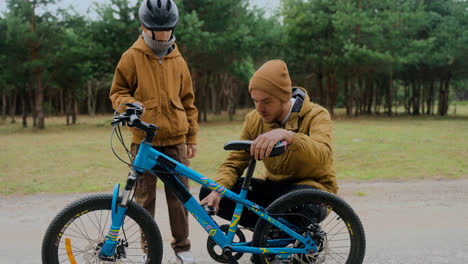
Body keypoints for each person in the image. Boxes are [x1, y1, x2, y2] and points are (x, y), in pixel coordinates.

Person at [200, 59, 338, 229]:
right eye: (255, 101)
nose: (259, 109)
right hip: (275, 189)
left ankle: (274, 233)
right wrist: (217, 191)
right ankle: (268, 234)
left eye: (266, 102)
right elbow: (235, 162)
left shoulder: (317, 115)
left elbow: (323, 155)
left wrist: (289, 136)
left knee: (293, 205)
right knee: (209, 190)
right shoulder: (254, 119)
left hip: (314, 189)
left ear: (284, 97)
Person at [109, 0, 198, 263]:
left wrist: (192, 137)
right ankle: (149, 251)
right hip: (143, 141)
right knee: (144, 199)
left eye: (168, 29)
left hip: (175, 142)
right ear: (144, 27)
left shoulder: (179, 60)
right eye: (157, 30)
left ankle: (183, 249)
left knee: (180, 199)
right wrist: (130, 104)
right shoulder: (131, 57)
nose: (163, 35)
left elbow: (189, 101)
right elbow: (117, 92)